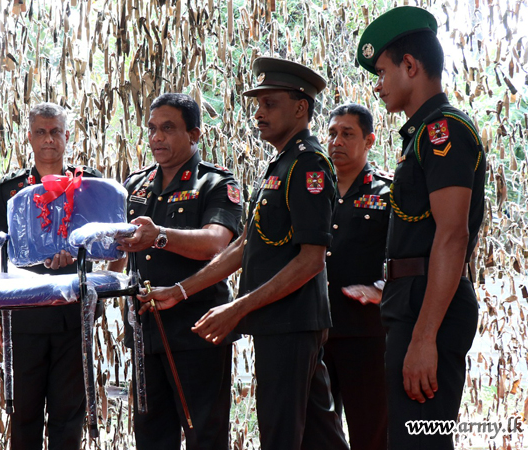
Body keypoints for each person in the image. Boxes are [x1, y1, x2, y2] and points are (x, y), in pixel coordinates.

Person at [140, 59, 349, 450]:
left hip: (292, 323)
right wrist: (180, 291)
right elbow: (246, 246)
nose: (258, 113)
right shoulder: (280, 165)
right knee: (322, 435)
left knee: (279, 434)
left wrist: (236, 308)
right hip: (277, 323)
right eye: (258, 104)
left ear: (300, 108)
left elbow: (310, 259)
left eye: (270, 104)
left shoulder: (308, 166)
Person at [356, 7, 486, 449]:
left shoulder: (442, 132)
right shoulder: (418, 136)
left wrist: (424, 337)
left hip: (430, 310)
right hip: (411, 300)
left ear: (410, 66)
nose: (378, 84)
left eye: (382, 71)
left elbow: (453, 236)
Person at [107, 93, 243, 449]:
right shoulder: (135, 185)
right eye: (152, 129)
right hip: (144, 331)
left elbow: (217, 242)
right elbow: (118, 254)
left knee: (205, 435)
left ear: (194, 134)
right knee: (151, 436)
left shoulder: (215, 184)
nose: (156, 138)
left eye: (168, 129)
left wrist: (161, 237)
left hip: (197, 330)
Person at [0, 102, 101, 449]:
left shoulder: (89, 184)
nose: (49, 139)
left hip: (73, 315)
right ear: (30, 137)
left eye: (55, 132)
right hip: (24, 318)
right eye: (41, 132)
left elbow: (106, 241)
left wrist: (79, 253)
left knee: (68, 416)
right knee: (23, 416)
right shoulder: (10, 190)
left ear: (67, 136)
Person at [323, 103, 389, 450]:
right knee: (318, 431)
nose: (337, 141)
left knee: (371, 429)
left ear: (369, 141)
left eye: (348, 134)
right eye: (332, 133)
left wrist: (382, 289)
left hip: (366, 332)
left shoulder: (387, 194)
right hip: (316, 328)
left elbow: (408, 255)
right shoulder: (313, 190)